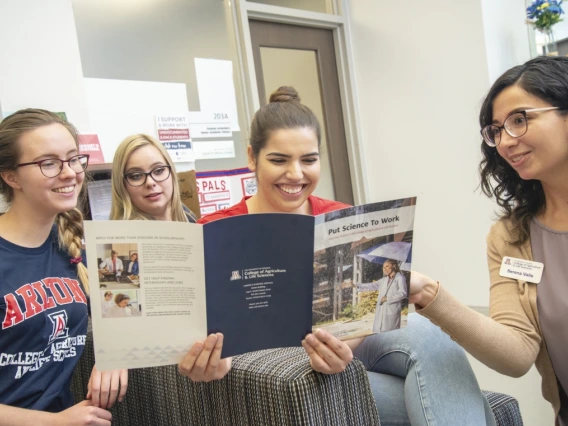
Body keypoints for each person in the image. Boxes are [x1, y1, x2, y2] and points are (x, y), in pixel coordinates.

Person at [197, 87, 495, 425]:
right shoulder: (217, 229)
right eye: (279, 160)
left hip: (347, 344)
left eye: (309, 160)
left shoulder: (340, 218)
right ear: (252, 157)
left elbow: (364, 313)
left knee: (431, 339)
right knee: (459, 397)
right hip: (277, 359)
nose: (296, 174)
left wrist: (346, 346)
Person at [411, 55, 568, 424]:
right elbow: (516, 354)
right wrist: (428, 293)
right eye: (496, 130)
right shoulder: (511, 238)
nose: (505, 141)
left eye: (519, 120)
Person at [0, 109, 127, 424]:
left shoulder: (82, 241)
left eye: (73, 159)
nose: (70, 172)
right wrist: (55, 422)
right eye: (49, 163)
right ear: (10, 175)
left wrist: (116, 354)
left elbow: (131, 305)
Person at [109, 134, 225, 382]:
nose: (150, 182)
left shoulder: (190, 219)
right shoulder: (126, 238)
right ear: (123, 185)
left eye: (158, 170)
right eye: (136, 175)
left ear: (171, 173)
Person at [356, 259, 407, 332]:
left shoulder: (400, 278)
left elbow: (403, 293)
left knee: (390, 334)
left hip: (391, 311)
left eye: (387, 266)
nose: (385, 269)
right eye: (383, 267)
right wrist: (356, 285)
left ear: (394, 266)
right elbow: (372, 285)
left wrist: (388, 298)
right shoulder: (384, 280)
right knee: (378, 332)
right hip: (381, 310)